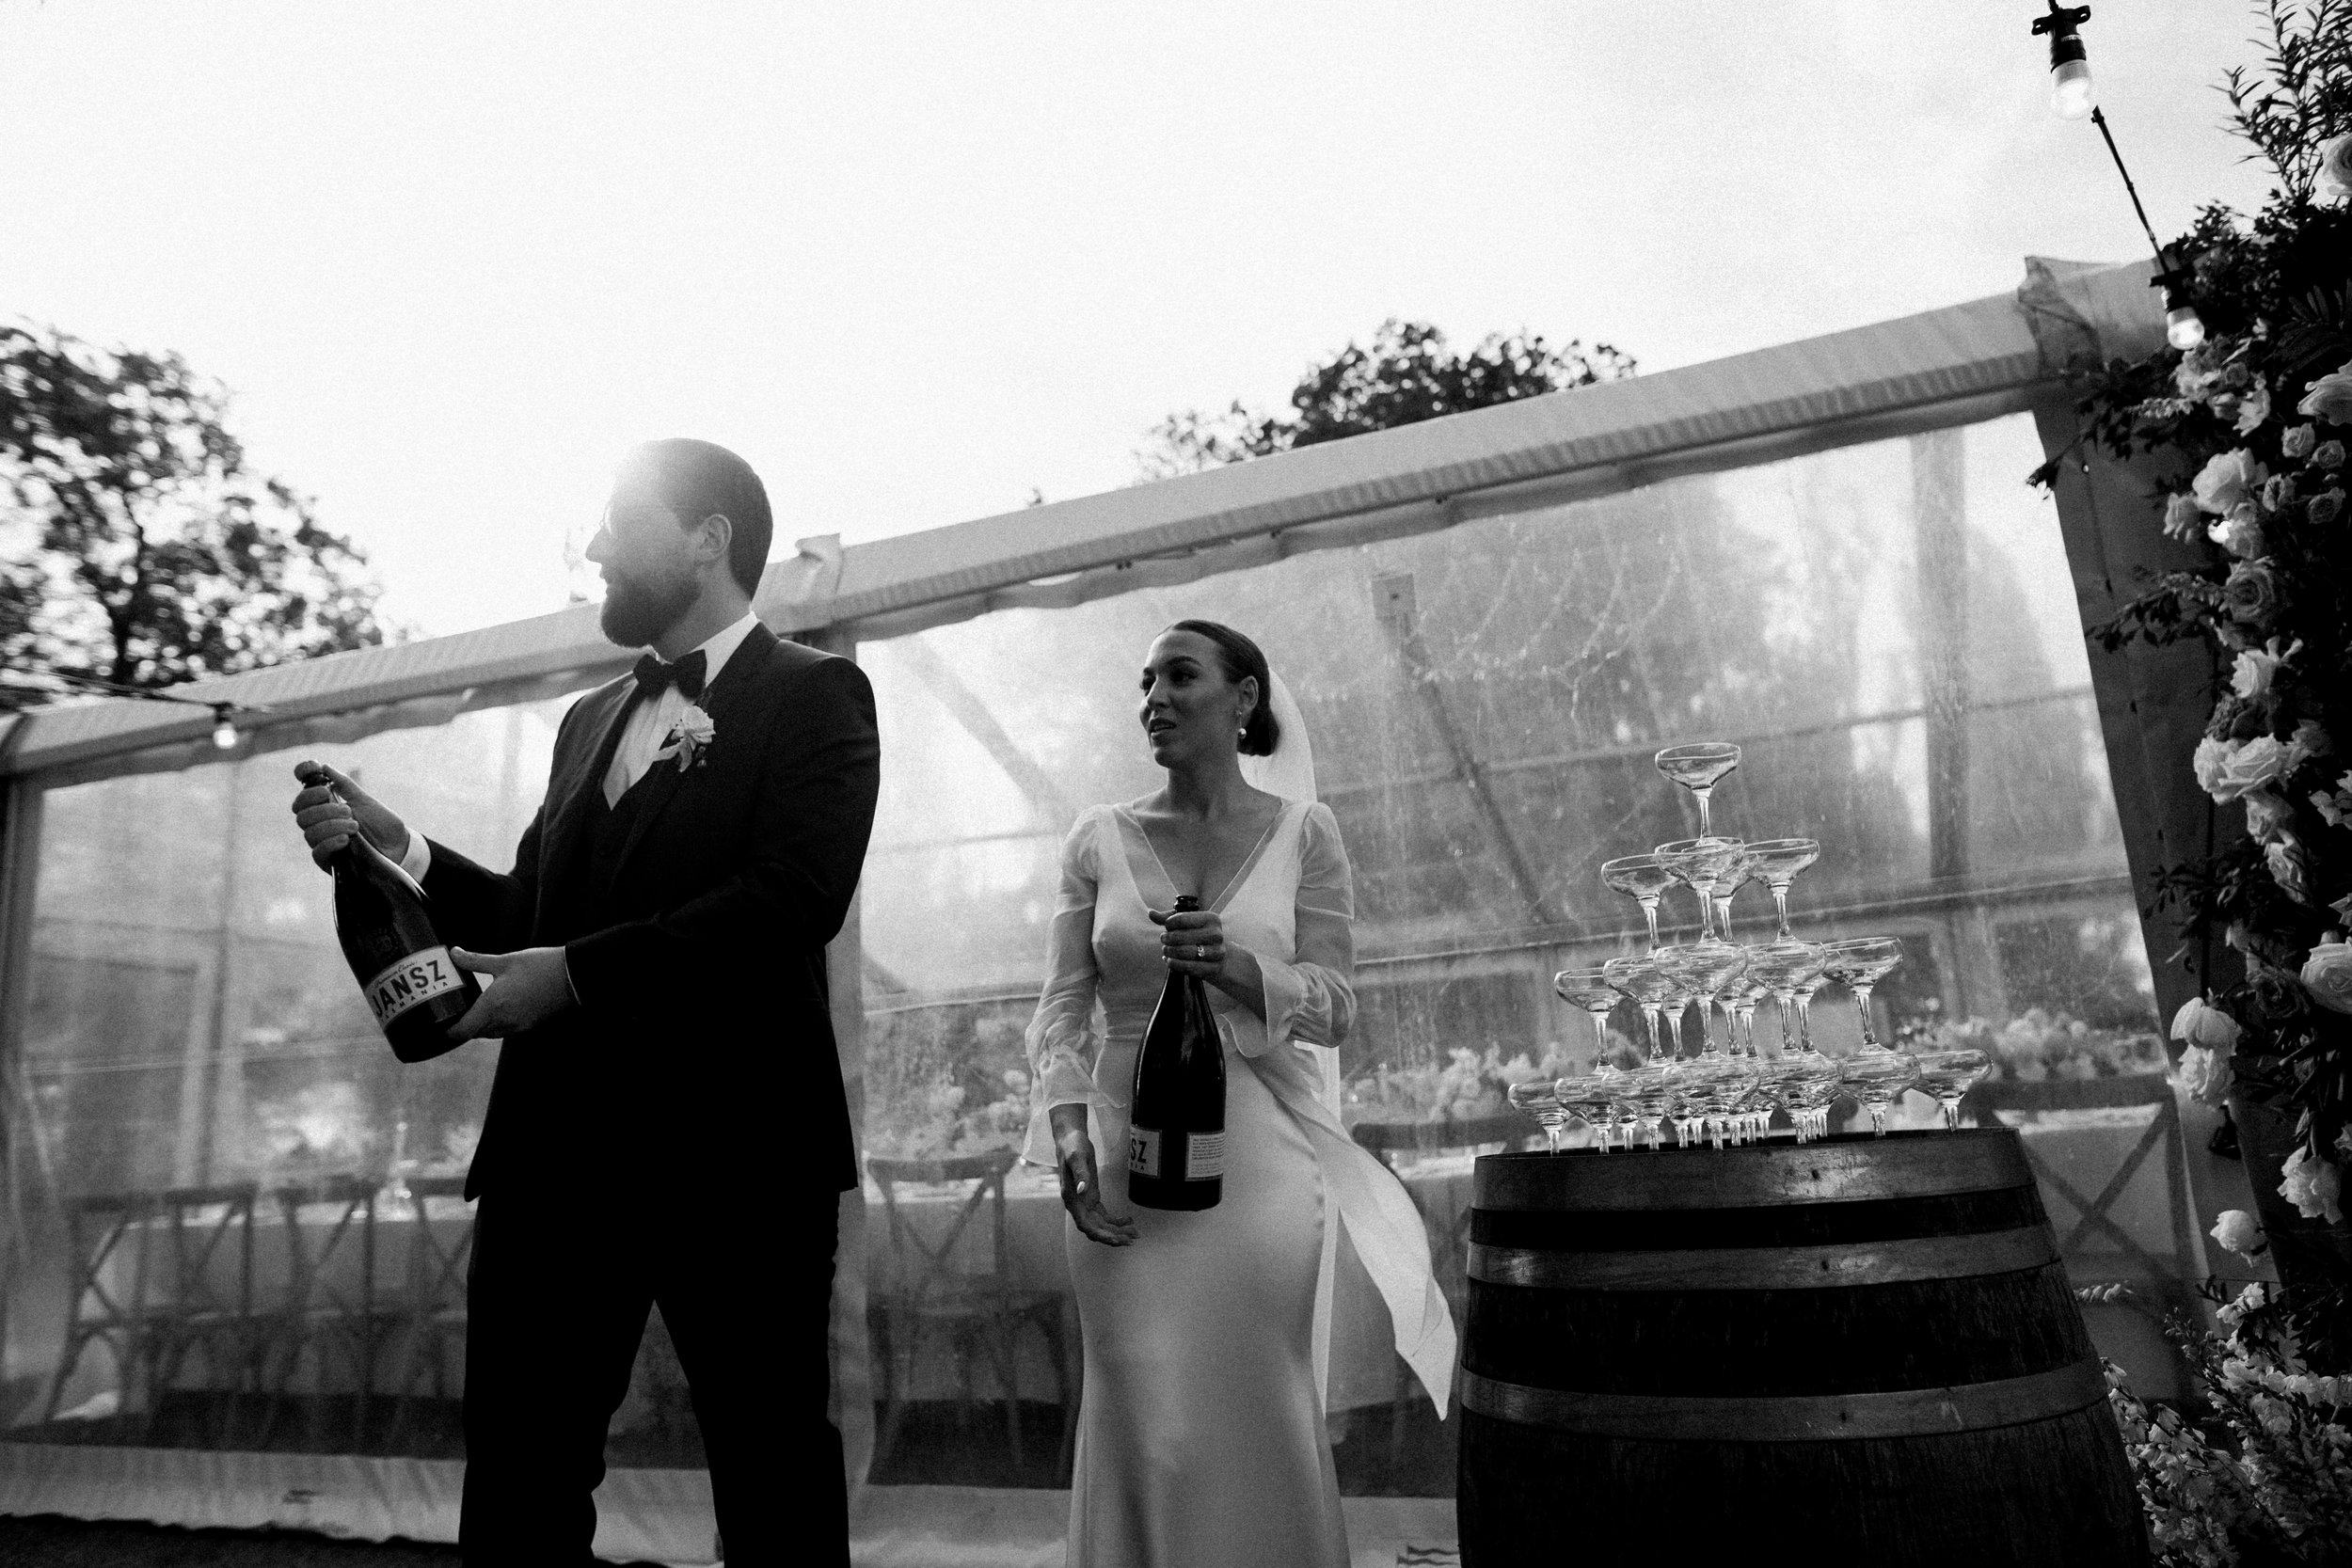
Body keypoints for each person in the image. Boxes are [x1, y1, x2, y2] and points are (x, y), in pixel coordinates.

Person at [289, 438, 879, 1566]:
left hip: (739, 1154)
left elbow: (794, 896)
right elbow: (531, 908)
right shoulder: (585, 719)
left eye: (619, 519)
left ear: (707, 538)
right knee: (520, 1475)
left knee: (770, 1475)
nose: (597, 546)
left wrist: (575, 975)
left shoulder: (815, 692)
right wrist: (400, 848)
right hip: (553, 1154)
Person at [1026, 619, 1454, 1568]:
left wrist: (1238, 968)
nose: (1154, 699)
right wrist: (1067, 1131)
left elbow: (1336, 1005)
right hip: (1121, 1155)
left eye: (1180, 676)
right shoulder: (1096, 838)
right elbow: (1059, 1006)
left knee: (1253, 1393)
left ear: (1244, 697)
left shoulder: (1306, 833)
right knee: (1146, 1410)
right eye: (1145, 683)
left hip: (1260, 1166)